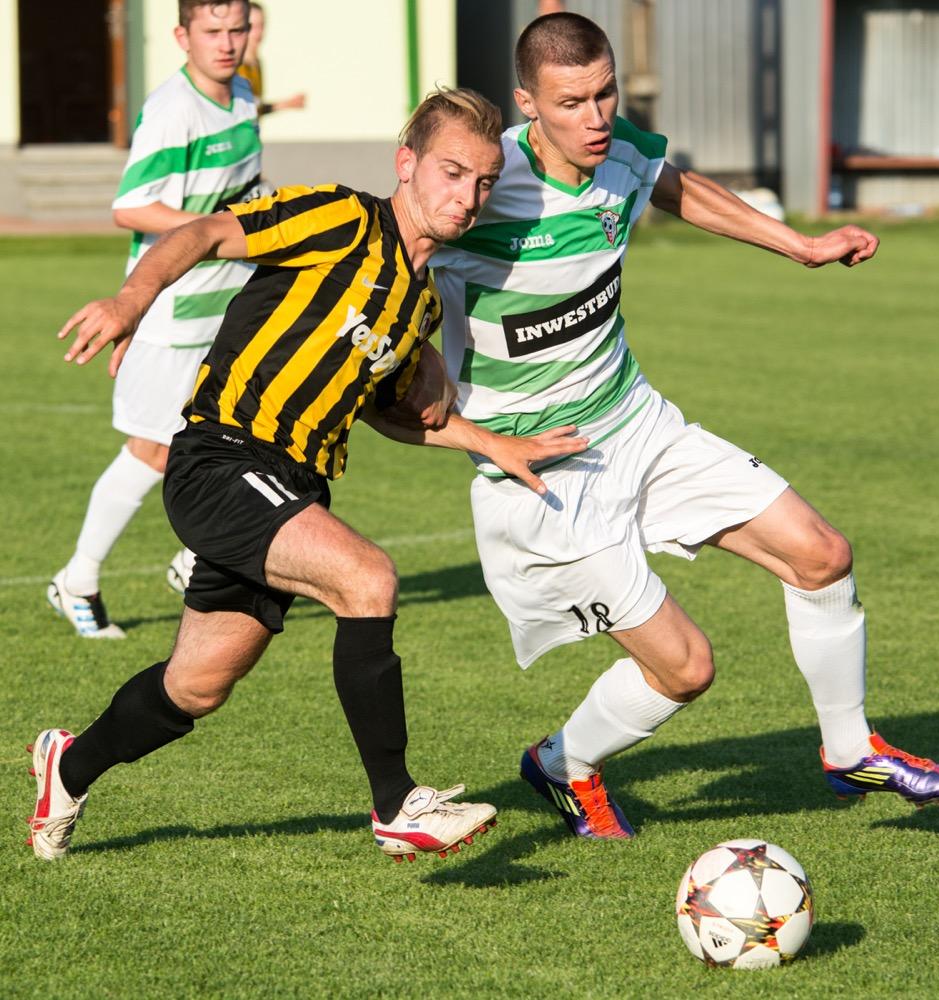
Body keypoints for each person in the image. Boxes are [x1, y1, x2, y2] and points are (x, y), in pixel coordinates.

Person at [428, 13, 939, 840]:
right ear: (527, 103)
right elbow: (392, 274)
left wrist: (799, 246)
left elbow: (671, 183)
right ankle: (563, 762)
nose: (597, 117)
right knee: (686, 669)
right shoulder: (483, 193)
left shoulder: (618, 152)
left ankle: (850, 748)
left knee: (821, 554)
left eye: (606, 94)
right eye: (571, 103)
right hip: (543, 473)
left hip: (636, 422)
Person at [27, 86, 587, 863]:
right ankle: (397, 804)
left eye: (484, 182)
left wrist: (491, 443)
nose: (467, 197)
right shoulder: (342, 217)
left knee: (195, 687)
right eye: (453, 172)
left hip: (293, 489)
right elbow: (206, 230)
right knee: (368, 577)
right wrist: (131, 300)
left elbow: (388, 410)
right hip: (223, 457)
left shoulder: (420, 305)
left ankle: (68, 767)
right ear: (408, 163)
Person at [49, 0, 267, 638]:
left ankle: (198, 559)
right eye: (212, 31)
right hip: (171, 312)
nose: (226, 43)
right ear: (181, 35)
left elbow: (243, 193)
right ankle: (78, 579)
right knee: (153, 449)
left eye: (236, 29)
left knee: (242, 435)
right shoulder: (173, 110)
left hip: (228, 304)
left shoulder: (244, 94)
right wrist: (221, 230)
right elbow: (131, 207)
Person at [237, 2, 307, 117]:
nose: (259, 32)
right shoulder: (233, 66)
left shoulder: (256, 63)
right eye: (253, 26)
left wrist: (285, 104)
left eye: (262, 25)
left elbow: (254, 107)